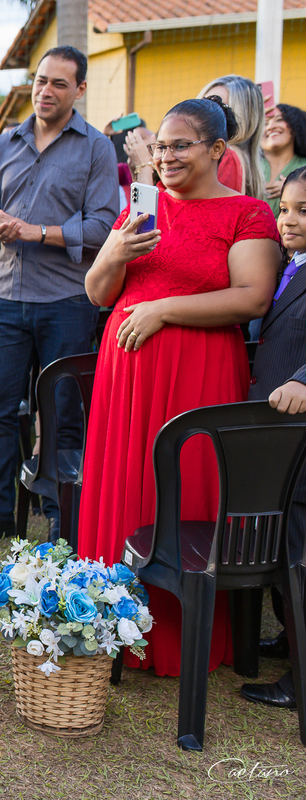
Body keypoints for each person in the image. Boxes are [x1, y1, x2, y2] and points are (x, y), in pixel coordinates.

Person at [79, 97, 280, 677]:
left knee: (184, 487)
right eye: (160, 146)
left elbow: (252, 297)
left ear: (217, 149)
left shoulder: (246, 214)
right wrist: (114, 253)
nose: (165, 156)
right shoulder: (141, 207)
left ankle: (178, 634)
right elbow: (98, 293)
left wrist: (163, 309)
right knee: (126, 480)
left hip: (199, 373)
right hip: (127, 377)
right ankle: (109, 621)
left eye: (180, 145)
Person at [0, 45, 117, 548]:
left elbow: (103, 226)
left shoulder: (96, 148)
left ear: (79, 90)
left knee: (63, 411)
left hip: (67, 300)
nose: (46, 91)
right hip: (5, 297)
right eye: (41, 80)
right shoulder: (6, 142)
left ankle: (62, 513)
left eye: (59, 84)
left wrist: (35, 231)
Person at [242, 166, 306, 709]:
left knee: (301, 556)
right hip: (279, 434)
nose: (289, 220)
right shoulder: (289, 266)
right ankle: (290, 638)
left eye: (304, 211)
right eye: (284, 208)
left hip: (301, 436)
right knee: (287, 547)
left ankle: (301, 681)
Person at [260, 104, 306, 215]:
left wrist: (295, 189)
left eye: (279, 120)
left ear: (295, 126)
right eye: (265, 123)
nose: (271, 126)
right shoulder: (244, 166)